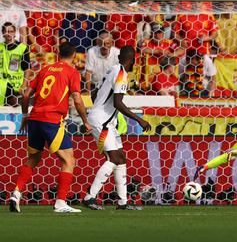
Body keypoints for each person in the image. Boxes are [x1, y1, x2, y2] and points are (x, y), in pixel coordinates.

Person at [9, 43, 92, 213]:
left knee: (33, 159)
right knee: (69, 160)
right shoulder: (72, 72)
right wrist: (85, 121)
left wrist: (25, 116)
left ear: (57, 53)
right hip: (52, 120)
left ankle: (16, 193)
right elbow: (77, 99)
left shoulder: (45, 69)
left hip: (34, 118)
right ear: (74, 55)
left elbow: (25, 95)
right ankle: (60, 202)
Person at [82, 46, 151, 210]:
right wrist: (139, 120)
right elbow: (117, 103)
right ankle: (90, 197)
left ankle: (123, 202)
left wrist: (99, 107)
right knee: (113, 158)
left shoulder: (112, 69)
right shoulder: (121, 75)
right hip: (102, 121)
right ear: (132, 60)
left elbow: (95, 93)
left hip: (105, 119)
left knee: (121, 159)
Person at [0, 22, 29, 106]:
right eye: (6, 31)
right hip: (1, 82)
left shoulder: (22, 48)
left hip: (15, 83)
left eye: (11, 31)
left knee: (13, 106)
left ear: (15, 32)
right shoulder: (0, 47)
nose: (8, 34)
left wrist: (24, 85)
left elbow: (27, 69)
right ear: (2, 33)